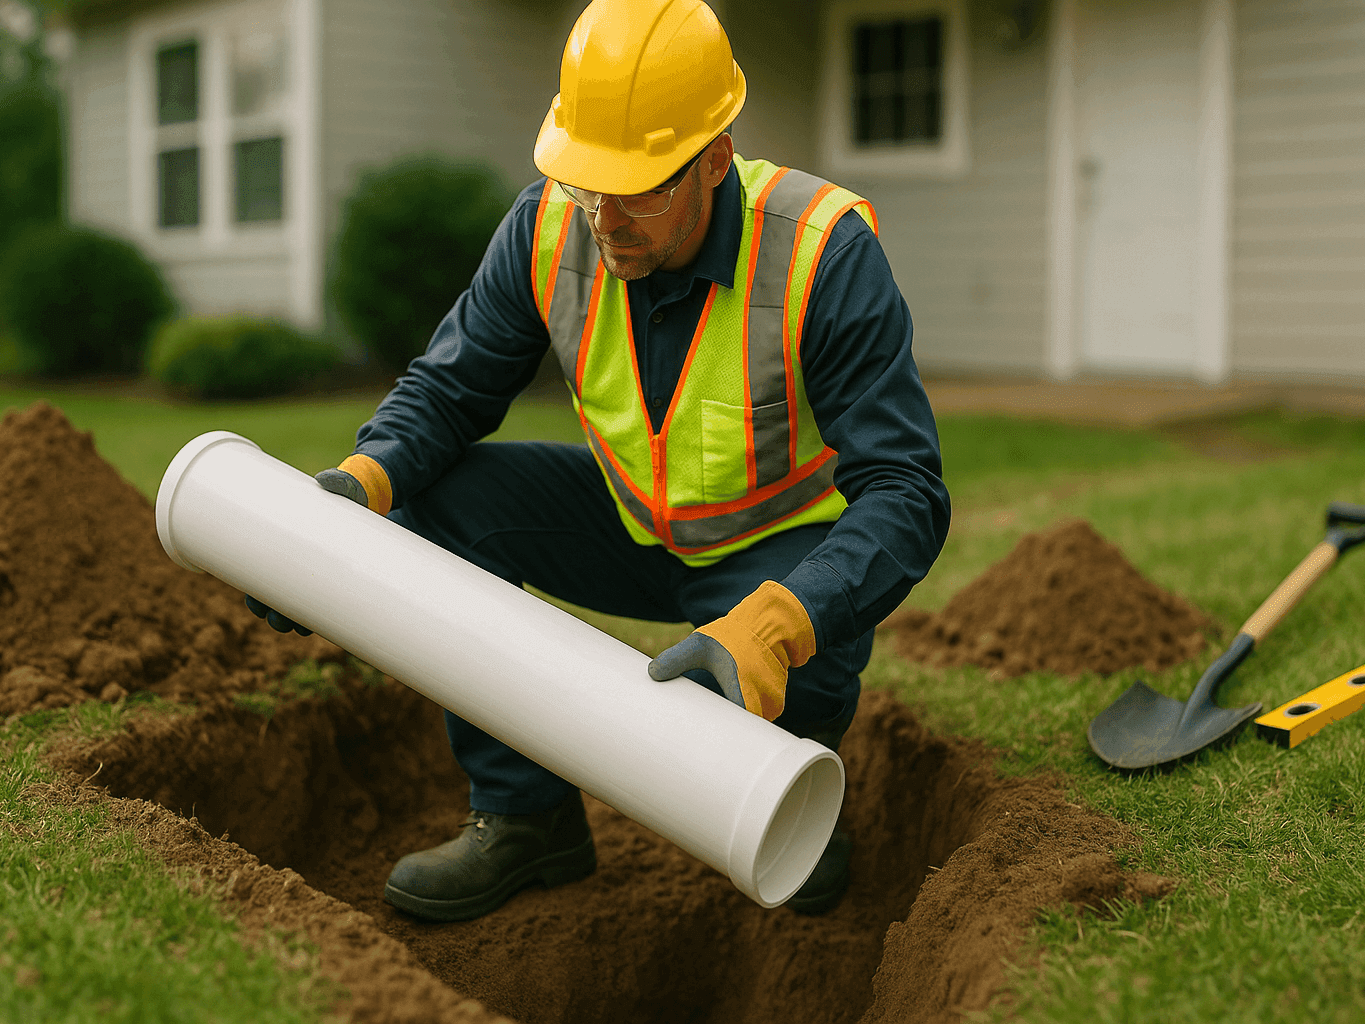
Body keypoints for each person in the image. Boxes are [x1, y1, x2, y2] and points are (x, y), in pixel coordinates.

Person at [245, 0, 949, 919]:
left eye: (638, 189)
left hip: (774, 552)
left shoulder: (822, 253)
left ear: (715, 160)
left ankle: (798, 801)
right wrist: (355, 489)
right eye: (585, 183)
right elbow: (448, 391)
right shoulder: (548, 227)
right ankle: (526, 818)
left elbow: (905, 491)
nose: (605, 219)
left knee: (813, 643)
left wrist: (776, 627)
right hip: (628, 525)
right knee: (439, 500)